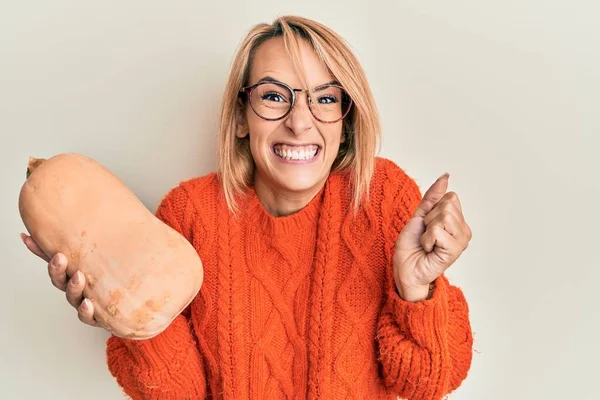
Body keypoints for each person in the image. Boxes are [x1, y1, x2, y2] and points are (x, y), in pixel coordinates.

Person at [21, 15, 474, 400]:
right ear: (241, 116)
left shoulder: (381, 197)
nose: (300, 122)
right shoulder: (190, 213)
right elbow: (181, 393)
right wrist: (121, 306)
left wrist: (415, 288)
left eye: (325, 98)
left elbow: (427, 382)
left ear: (346, 119)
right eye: (274, 96)